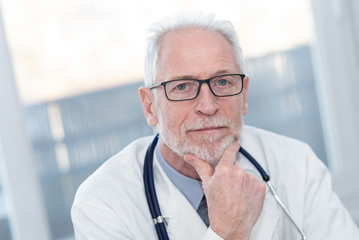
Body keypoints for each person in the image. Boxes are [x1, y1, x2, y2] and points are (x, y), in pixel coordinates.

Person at [71, 12, 359, 240]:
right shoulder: (102, 203)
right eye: (183, 86)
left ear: (244, 95)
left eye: (222, 82)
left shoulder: (298, 165)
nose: (208, 106)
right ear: (150, 107)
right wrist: (226, 233)